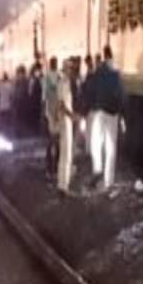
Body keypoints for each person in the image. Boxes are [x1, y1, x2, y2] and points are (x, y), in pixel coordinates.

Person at [86, 48, 124, 192]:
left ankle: (97, 169)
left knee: (96, 143)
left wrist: (89, 107)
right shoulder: (116, 73)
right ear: (111, 56)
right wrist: (121, 113)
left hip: (100, 112)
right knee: (111, 148)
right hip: (113, 114)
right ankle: (109, 181)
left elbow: (90, 90)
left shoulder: (98, 72)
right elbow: (121, 94)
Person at [49, 56, 80, 192]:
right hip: (65, 121)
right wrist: (72, 116)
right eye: (71, 68)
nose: (72, 71)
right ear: (66, 69)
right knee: (66, 154)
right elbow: (61, 104)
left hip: (65, 120)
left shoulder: (65, 82)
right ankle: (63, 186)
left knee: (65, 154)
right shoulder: (63, 83)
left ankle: (62, 184)